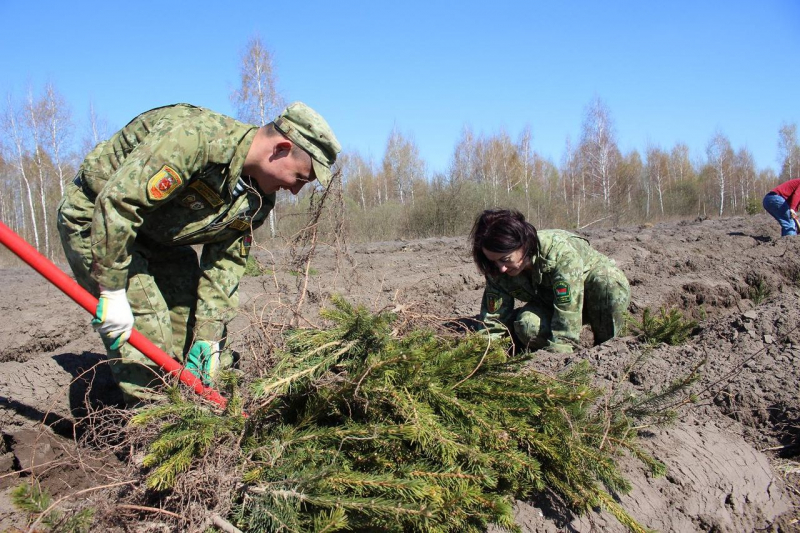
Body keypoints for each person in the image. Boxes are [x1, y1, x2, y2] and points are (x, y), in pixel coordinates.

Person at [57, 101, 340, 404]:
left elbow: (225, 262)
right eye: (300, 178)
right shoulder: (195, 138)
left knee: (190, 330)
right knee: (148, 334)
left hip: (159, 238)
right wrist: (112, 291)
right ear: (281, 148)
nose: (296, 191)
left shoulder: (257, 201)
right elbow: (118, 204)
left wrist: (208, 336)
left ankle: (193, 410)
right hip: (99, 219)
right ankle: (151, 429)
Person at [470, 209, 630, 353]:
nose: (501, 268)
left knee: (609, 283)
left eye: (505, 259)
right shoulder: (496, 268)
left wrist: (559, 357)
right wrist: (483, 354)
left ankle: (609, 350)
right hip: (549, 302)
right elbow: (492, 321)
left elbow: (567, 309)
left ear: (523, 245)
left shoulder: (559, 254)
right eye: (494, 261)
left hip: (593, 297)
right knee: (527, 325)